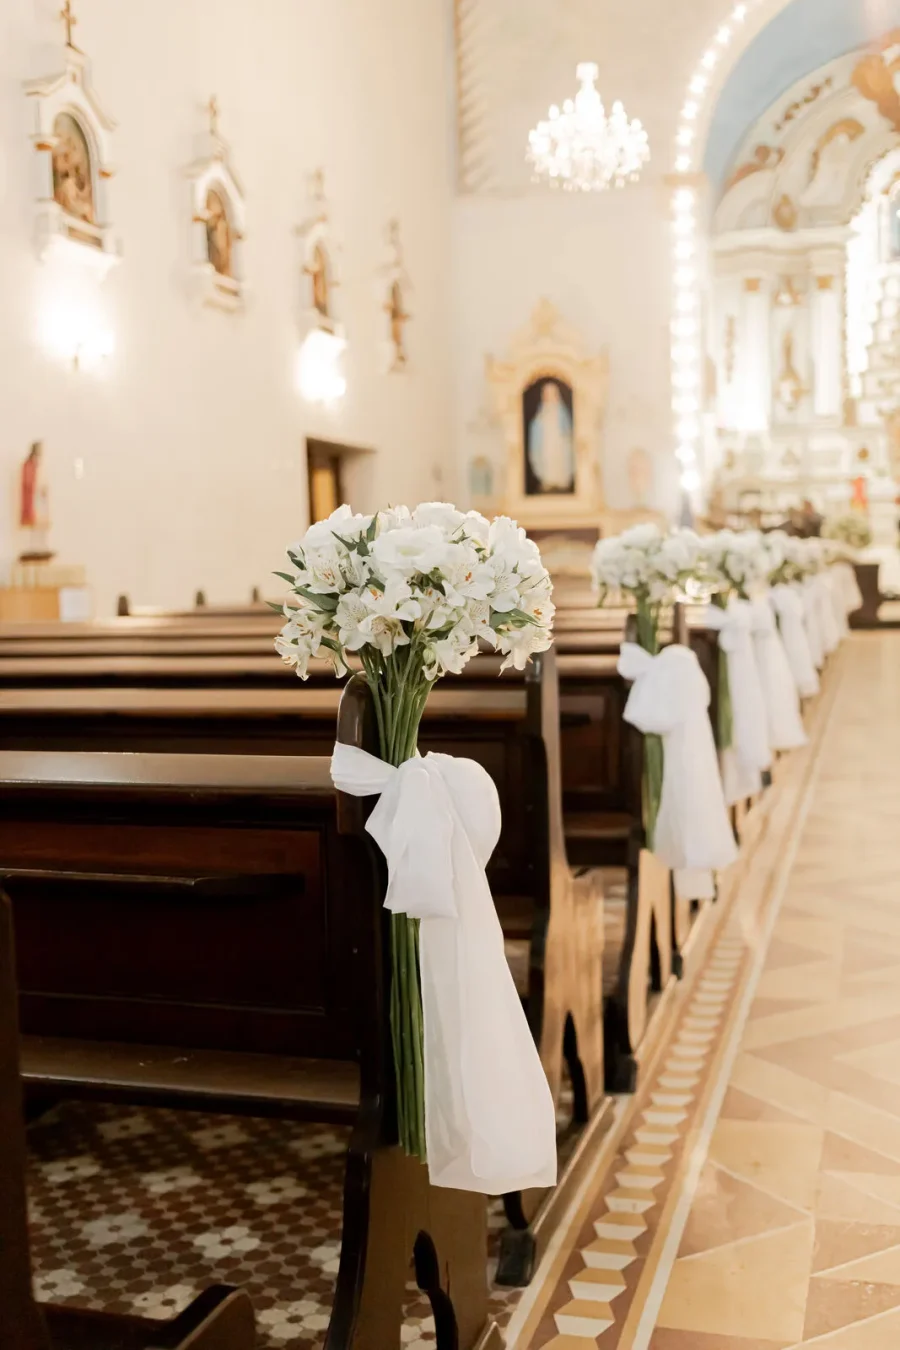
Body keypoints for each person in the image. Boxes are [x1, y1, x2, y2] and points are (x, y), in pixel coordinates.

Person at [527, 381, 575, 493]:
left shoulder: (561, 411)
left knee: (559, 459)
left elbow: (567, 428)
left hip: (559, 442)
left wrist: (566, 437)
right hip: (546, 443)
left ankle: (561, 481)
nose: (549, 396)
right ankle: (548, 481)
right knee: (547, 458)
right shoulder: (542, 412)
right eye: (546, 394)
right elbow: (536, 427)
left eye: (551, 394)